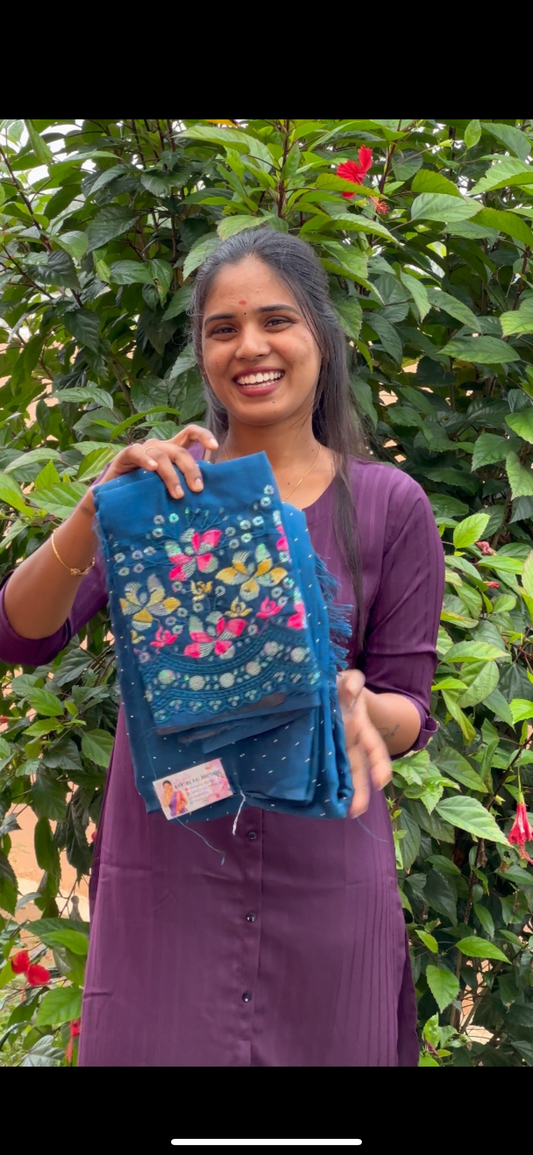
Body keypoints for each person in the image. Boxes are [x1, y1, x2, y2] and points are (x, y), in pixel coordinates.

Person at [0, 228, 444, 1066]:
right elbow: (19, 634)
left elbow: (408, 711)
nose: (250, 347)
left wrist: (353, 706)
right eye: (221, 328)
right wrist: (96, 511)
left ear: (319, 334)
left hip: (327, 896)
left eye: (276, 320)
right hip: (168, 896)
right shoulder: (155, 497)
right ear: (201, 352)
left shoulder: (390, 506)